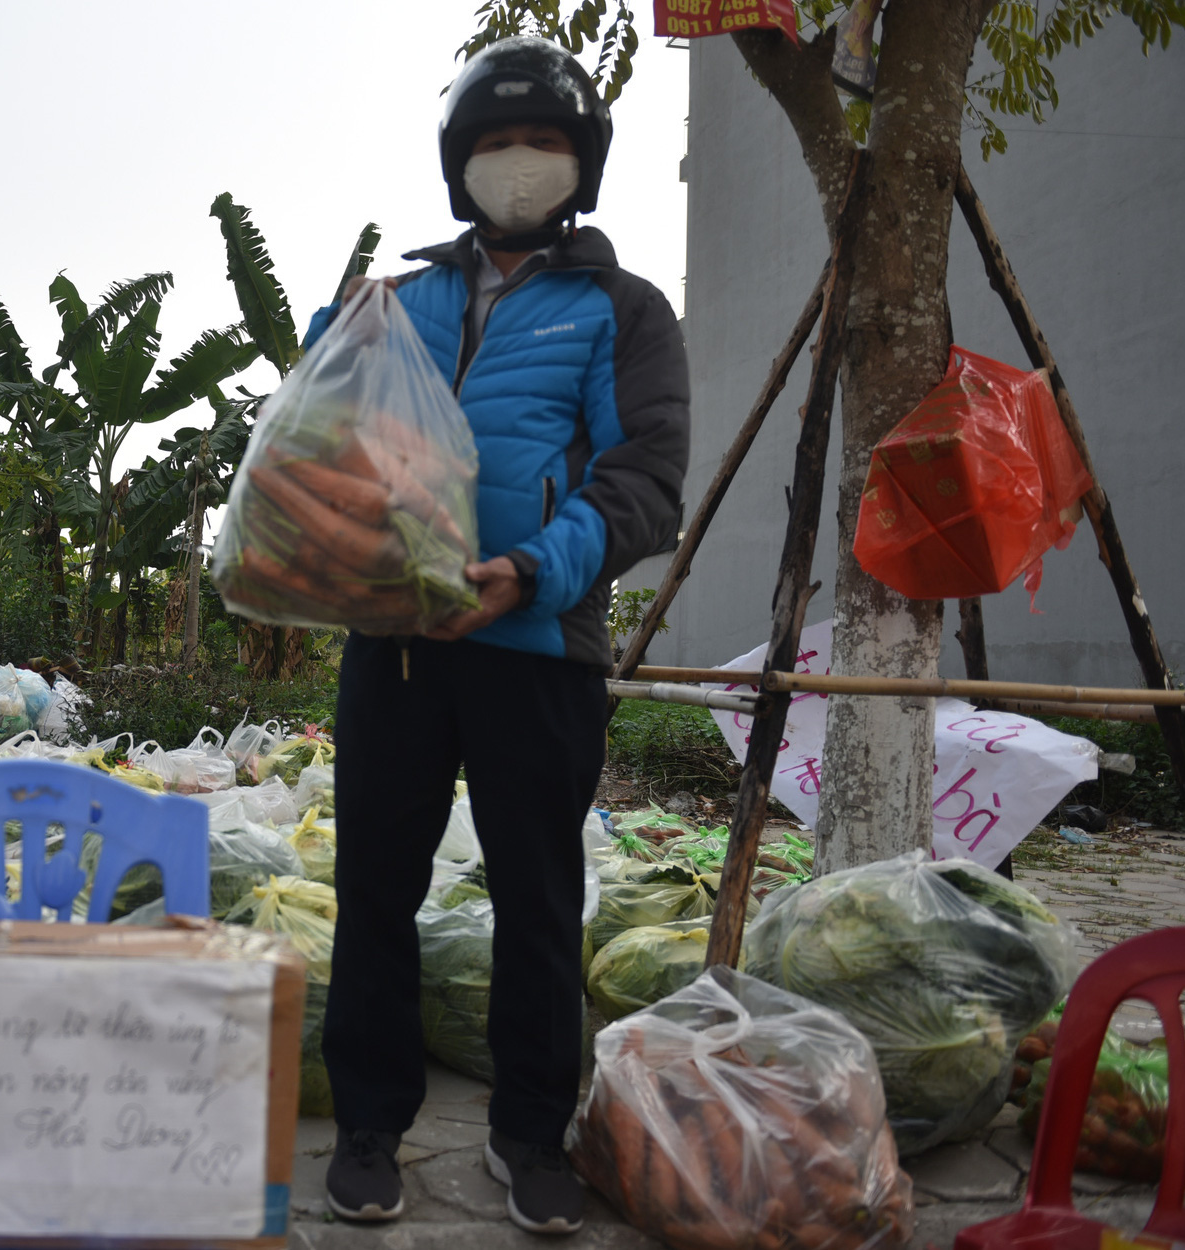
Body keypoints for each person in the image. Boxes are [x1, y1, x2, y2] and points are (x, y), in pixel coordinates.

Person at [305, 36, 690, 1236]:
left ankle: (532, 1134)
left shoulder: (621, 310)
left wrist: (526, 570)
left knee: (535, 898)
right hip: (398, 647)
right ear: (454, 167)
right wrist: (332, 336)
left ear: (580, 164)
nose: (514, 165)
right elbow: (325, 431)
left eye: (540, 145)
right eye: (489, 146)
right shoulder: (402, 299)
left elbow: (641, 481)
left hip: (537, 650)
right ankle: (369, 1124)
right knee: (373, 888)